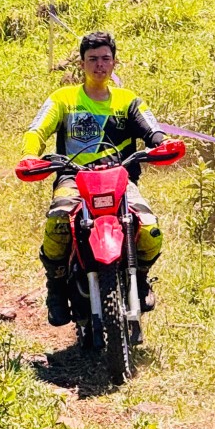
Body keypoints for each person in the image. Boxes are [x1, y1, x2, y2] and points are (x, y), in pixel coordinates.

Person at [21, 31, 165, 326]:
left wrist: (164, 145)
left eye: (105, 58)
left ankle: (140, 278)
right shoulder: (63, 98)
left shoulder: (128, 101)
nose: (100, 65)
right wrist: (30, 155)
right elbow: (37, 130)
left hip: (120, 179)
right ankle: (56, 287)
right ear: (81, 64)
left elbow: (153, 130)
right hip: (73, 178)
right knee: (58, 222)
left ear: (114, 62)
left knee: (150, 229)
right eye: (92, 59)